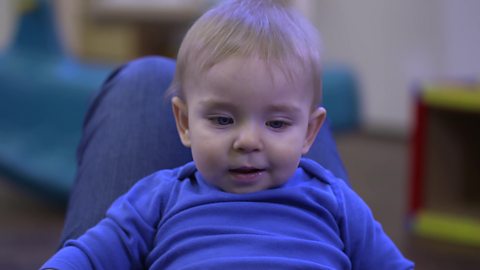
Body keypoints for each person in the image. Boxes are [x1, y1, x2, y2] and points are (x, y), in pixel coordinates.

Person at [42, 0, 413, 269]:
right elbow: (89, 256)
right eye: (222, 120)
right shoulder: (158, 197)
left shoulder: (336, 201)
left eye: (277, 123)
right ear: (184, 122)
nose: (248, 141)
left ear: (309, 132)